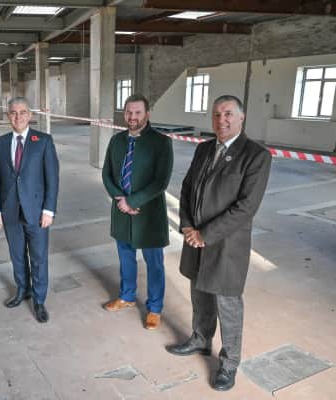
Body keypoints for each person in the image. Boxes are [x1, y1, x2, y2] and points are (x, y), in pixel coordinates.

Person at [166, 95, 272, 391]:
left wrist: (205, 234)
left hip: (226, 243)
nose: (221, 120)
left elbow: (246, 207)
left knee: (227, 302)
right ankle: (201, 339)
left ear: (241, 118)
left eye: (228, 114)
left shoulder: (256, 156)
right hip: (195, 237)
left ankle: (229, 363)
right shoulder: (204, 149)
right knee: (199, 292)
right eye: (216, 114)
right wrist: (188, 225)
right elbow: (187, 187)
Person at [101, 93, 173, 330]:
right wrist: (120, 199)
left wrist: (132, 201)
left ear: (147, 114)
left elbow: (160, 181)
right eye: (129, 112)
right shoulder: (117, 141)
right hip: (121, 211)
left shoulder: (161, 142)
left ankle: (154, 308)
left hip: (148, 213)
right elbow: (107, 174)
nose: (133, 117)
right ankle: (127, 296)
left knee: (154, 264)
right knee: (125, 257)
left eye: (138, 112)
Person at [0, 97, 59, 323]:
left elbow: (52, 179)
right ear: (8, 115)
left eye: (23, 112)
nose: (18, 117)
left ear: (30, 115)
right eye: (13, 112)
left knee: (38, 257)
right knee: (17, 255)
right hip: (10, 211)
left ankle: (39, 300)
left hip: (37, 212)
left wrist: (49, 210)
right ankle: (22, 290)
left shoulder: (43, 141)